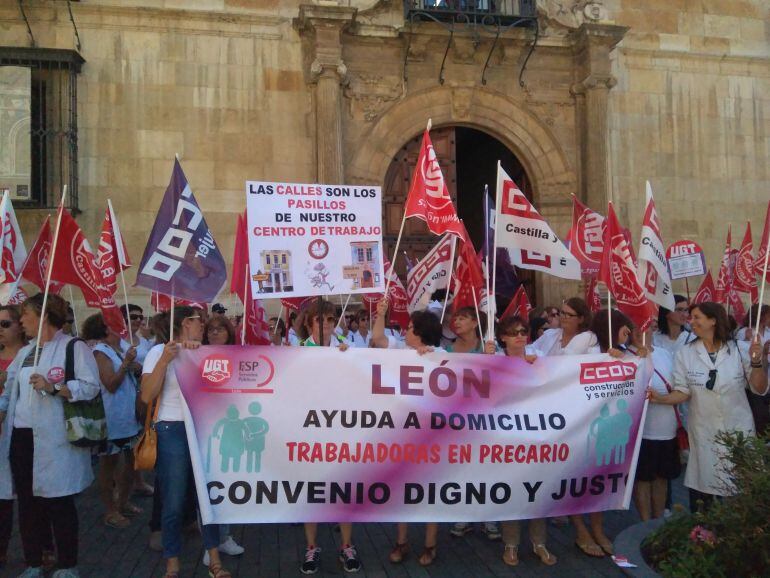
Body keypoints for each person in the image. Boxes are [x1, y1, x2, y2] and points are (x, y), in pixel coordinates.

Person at [0, 293, 101, 578]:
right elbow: (9, 394)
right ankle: (33, 563)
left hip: (56, 440)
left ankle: (68, 565)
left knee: (59, 503)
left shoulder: (73, 347)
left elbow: (90, 387)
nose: (21, 321)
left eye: (25, 315)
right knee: (28, 504)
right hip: (21, 438)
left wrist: (53, 387)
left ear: (43, 316)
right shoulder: (25, 351)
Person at [648, 302, 769, 513]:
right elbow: (683, 392)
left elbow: (759, 389)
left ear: (713, 320)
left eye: (696, 317)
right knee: (704, 498)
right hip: (703, 432)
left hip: (738, 431)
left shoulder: (740, 351)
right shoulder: (685, 354)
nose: (691, 321)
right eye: (691, 317)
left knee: (742, 495)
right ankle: (704, 536)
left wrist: (758, 362)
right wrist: (659, 398)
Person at [141, 306, 231, 578]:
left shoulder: (203, 351)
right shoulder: (158, 352)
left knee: (208, 496)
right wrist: (166, 360)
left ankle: (214, 559)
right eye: (197, 321)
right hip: (172, 428)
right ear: (181, 324)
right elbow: (147, 395)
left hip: (204, 427)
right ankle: (172, 562)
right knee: (174, 498)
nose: (202, 325)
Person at [370, 299, 444, 566]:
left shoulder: (439, 355)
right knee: (403, 490)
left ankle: (430, 544)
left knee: (429, 491)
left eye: (410, 327)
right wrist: (380, 314)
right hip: (402, 433)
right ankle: (401, 542)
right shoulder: (400, 350)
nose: (405, 331)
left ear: (422, 332)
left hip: (429, 436)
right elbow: (378, 338)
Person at [531, 298, 603, 557]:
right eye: (561, 312)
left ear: (581, 318)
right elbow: (528, 351)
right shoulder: (550, 335)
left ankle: (596, 530)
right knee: (563, 472)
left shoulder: (590, 341)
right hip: (550, 413)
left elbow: (588, 368)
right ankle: (580, 531)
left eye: (569, 314)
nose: (563, 317)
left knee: (584, 472)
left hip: (578, 415)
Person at [295, 300, 359, 574]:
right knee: (312, 492)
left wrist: (352, 360)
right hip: (311, 432)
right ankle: (311, 547)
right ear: (310, 324)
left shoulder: (347, 346)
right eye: (320, 320)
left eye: (331, 320)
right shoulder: (299, 351)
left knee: (343, 490)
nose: (327, 325)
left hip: (341, 430)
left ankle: (347, 545)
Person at [491, 316, 556, 567]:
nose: (520, 335)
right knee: (512, 492)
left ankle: (539, 543)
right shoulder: (494, 358)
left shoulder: (539, 354)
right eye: (513, 332)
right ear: (503, 337)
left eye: (523, 331)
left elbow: (565, 371)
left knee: (537, 490)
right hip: (506, 437)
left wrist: (537, 365)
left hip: (535, 435)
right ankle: (511, 544)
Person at [81, 313, 143, 529]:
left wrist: (134, 368)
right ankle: (110, 509)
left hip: (127, 417)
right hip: (112, 419)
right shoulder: (101, 352)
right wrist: (126, 364)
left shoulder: (118, 350)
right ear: (106, 329)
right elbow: (110, 384)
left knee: (131, 463)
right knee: (110, 465)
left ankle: (123, 502)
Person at [446, 307, 500, 540]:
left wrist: (493, 358)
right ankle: (464, 514)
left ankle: (489, 516)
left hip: (485, 417)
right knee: (463, 466)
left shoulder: (489, 347)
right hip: (457, 418)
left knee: (486, 466)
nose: (456, 321)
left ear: (475, 323)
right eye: (455, 317)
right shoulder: (446, 349)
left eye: (462, 317)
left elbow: (505, 375)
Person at [201, 316, 245, 565]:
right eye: (211, 330)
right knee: (208, 488)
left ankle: (225, 537)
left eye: (221, 329)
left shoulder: (239, 356)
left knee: (228, 485)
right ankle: (210, 545)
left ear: (230, 333)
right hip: (206, 430)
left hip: (233, 434)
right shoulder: (198, 356)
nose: (216, 333)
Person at [627, 325, 680, 521]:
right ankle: (645, 523)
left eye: (645, 327)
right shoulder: (625, 356)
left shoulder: (665, 353)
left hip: (667, 428)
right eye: (635, 328)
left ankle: (658, 522)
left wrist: (664, 398)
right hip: (642, 430)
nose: (640, 332)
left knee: (661, 478)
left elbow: (678, 383)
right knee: (643, 479)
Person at [0, 305, 34, 569]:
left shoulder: (30, 355)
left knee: (27, 497)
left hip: (21, 433)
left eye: (4, 324)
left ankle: (36, 549)